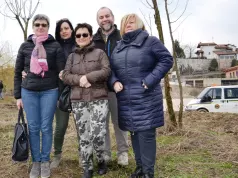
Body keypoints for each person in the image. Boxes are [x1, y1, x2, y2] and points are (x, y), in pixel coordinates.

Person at [110, 14, 173, 178]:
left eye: (132, 22)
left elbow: (166, 59)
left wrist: (150, 80)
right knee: (134, 133)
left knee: (146, 135)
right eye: (125, 23)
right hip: (126, 100)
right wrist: (114, 81)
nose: (128, 25)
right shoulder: (118, 47)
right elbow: (111, 70)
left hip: (146, 98)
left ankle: (148, 172)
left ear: (139, 24)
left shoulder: (150, 41)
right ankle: (140, 168)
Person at [14, 14, 65, 178]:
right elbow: (17, 72)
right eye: (37, 24)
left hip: (49, 91)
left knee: (46, 127)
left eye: (43, 24)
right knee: (34, 128)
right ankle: (36, 162)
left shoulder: (55, 46)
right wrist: (17, 96)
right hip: (28, 92)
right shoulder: (24, 46)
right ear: (33, 27)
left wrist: (59, 94)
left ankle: (45, 161)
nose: (40, 27)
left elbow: (61, 72)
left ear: (48, 27)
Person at [62, 23, 111, 178]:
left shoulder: (100, 53)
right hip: (78, 100)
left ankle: (101, 159)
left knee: (98, 134)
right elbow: (65, 75)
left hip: (98, 99)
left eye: (85, 34)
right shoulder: (71, 57)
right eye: (78, 35)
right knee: (84, 135)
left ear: (90, 36)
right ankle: (87, 167)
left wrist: (89, 77)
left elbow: (106, 70)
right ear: (75, 38)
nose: (81, 37)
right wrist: (80, 79)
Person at [93, 6, 129, 166]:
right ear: (98, 21)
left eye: (107, 16)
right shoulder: (93, 40)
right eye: (101, 17)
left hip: (118, 88)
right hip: (99, 89)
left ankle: (123, 153)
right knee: (102, 124)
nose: (104, 19)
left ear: (113, 17)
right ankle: (105, 153)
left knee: (119, 122)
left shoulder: (122, 37)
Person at [50, 18, 76, 169]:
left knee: (81, 127)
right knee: (61, 126)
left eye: (67, 28)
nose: (64, 31)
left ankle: (84, 154)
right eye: (61, 29)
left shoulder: (79, 44)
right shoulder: (54, 47)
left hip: (79, 91)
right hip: (60, 92)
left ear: (72, 29)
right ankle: (57, 155)